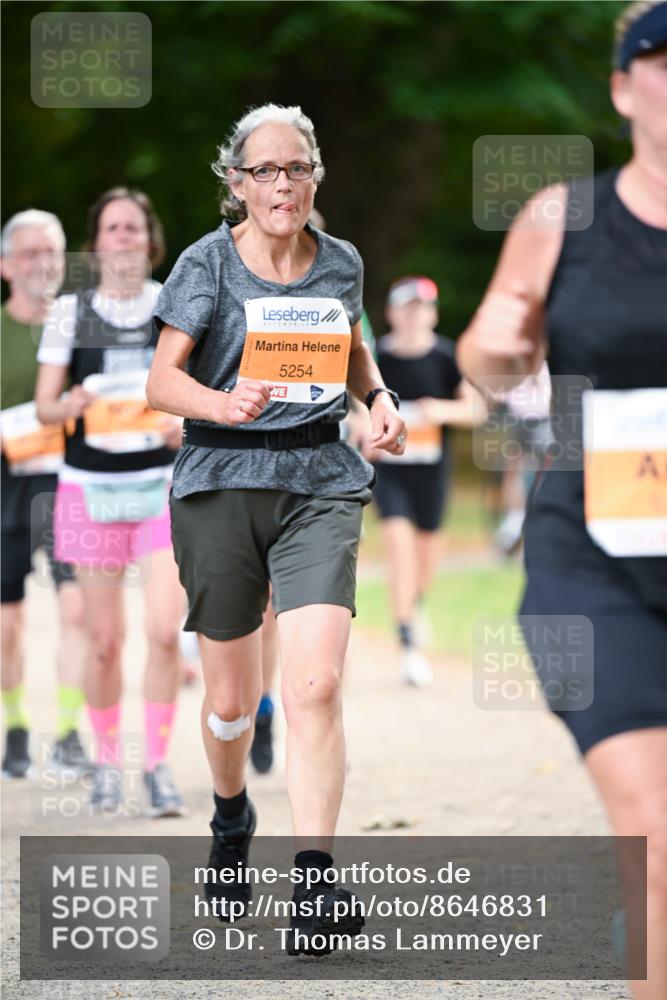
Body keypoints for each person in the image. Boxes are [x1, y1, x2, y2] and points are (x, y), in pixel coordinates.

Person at [147, 103, 405, 954]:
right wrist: (221, 402)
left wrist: (376, 399)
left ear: (313, 177)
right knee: (229, 704)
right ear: (237, 183)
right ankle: (230, 820)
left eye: (295, 168)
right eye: (264, 170)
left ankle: (314, 884)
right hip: (220, 477)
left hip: (318, 481)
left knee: (315, 687)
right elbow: (160, 381)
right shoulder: (204, 264)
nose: (281, 184)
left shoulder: (341, 263)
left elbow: (351, 348)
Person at [456, 4, 667, 997]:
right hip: (594, 549)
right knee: (661, 836)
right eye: (662, 64)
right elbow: (487, 355)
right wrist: (496, 345)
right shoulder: (561, 218)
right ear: (624, 88)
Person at [35, 188, 187, 818]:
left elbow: (197, 392)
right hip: (89, 490)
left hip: (159, 488)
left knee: (162, 632)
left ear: (149, 240)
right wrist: (70, 405)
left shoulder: (171, 304)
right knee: (103, 640)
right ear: (95, 244)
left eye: (133, 228)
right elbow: (46, 405)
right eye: (111, 229)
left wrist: (183, 422)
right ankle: (105, 764)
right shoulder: (70, 312)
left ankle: (155, 765)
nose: (123, 238)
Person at [0, 210, 89, 779]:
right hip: (6, 487)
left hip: (70, 482)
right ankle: (15, 730)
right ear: (7, 265)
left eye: (52, 252)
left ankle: (69, 732)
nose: (42, 264)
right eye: (30, 253)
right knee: (8, 623)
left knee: (78, 610)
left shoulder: (84, 329)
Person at [369, 275, 482, 686]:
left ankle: (414, 608)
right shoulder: (376, 356)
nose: (415, 316)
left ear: (432, 315)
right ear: (391, 313)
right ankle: (409, 646)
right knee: (400, 550)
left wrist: (441, 412)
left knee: (426, 557)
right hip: (390, 470)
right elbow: (351, 407)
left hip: (432, 471)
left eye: (423, 308)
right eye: (407, 307)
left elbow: (475, 410)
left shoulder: (446, 357)